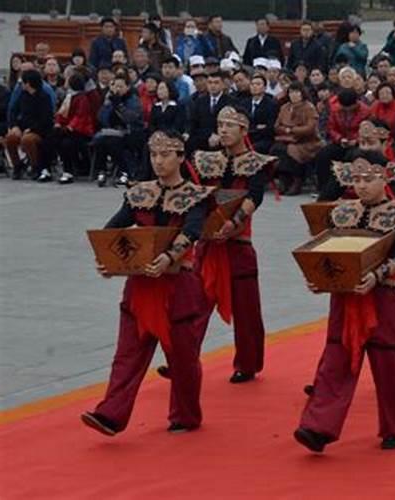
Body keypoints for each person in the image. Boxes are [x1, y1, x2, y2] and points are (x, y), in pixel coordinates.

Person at [81, 131, 213, 437]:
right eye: (154, 155)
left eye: (165, 155)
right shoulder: (139, 192)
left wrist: (168, 259)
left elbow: (191, 232)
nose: (159, 161)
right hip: (140, 287)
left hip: (177, 286)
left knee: (182, 358)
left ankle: (186, 414)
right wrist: (108, 259)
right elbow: (113, 228)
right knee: (127, 355)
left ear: (181, 157)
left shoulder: (196, 196)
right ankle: (111, 414)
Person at [294, 149, 395, 453]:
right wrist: (320, 280)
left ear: (385, 178)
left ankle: (393, 427)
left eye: (369, 178)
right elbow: (327, 250)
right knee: (335, 361)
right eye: (357, 179)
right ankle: (317, 427)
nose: (362, 185)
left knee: (388, 364)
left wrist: (377, 276)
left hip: (382, 297)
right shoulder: (341, 211)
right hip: (345, 298)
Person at [189, 106, 274, 383]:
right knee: (194, 304)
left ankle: (247, 363)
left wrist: (233, 222)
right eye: (220, 124)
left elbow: (255, 196)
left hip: (238, 242)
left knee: (247, 309)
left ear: (243, 130)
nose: (223, 130)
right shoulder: (207, 160)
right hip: (209, 242)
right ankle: (184, 357)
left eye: (229, 125)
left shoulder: (255, 162)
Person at [92, 73, 145, 187]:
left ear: (127, 87)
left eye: (121, 86)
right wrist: (107, 103)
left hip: (131, 132)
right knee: (101, 141)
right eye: (116, 86)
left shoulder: (133, 100)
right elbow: (101, 118)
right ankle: (102, 170)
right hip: (111, 131)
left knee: (113, 142)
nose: (118, 89)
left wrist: (119, 106)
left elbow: (131, 119)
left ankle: (124, 171)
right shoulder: (111, 99)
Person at [271, 82, 322, 195]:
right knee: (277, 149)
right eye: (291, 92)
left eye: (296, 92)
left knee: (292, 150)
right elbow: (277, 126)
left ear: (302, 93)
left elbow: (310, 128)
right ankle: (284, 179)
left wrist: (292, 130)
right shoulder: (285, 107)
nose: (293, 95)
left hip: (307, 141)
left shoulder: (309, 107)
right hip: (286, 138)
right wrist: (286, 131)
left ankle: (297, 180)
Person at [315, 88, 370, 191]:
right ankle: (324, 187)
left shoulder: (365, 111)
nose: (347, 110)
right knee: (323, 154)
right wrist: (340, 139)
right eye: (344, 108)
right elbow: (331, 128)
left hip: (359, 143)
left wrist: (356, 140)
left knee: (354, 155)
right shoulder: (336, 109)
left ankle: (350, 188)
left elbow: (367, 131)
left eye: (349, 108)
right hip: (341, 141)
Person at [5, 69, 54, 181]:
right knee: (10, 138)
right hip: (23, 127)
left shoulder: (44, 97)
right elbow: (13, 111)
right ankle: (17, 165)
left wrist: (32, 129)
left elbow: (46, 119)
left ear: (28, 83)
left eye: (23, 82)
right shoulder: (23, 95)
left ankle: (35, 166)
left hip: (39, 130)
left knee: (27, 140)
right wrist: (14, 126)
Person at [53, 72, 95, 183]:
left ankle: (69, 171)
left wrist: (69, 127)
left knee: (66, 143)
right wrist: (58, 123)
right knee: (52, 138)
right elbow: (61, 113)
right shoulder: (69, 96)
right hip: (69, 129)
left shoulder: (82, 98)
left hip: (81, 131)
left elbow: (80, 117)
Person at [187, 72, 232, 154]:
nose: (213, 86)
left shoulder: (231, 102)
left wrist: (218, 135)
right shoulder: (199, 101)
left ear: (223, 85)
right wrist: (208, 136)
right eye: (210, 83)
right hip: (203, 138)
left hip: (222, 137)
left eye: (216, 83)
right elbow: (194, 124)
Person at [244, 74, 278, 154]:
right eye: (252, 84)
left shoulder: (271, 104)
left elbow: (270, 127)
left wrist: (252, 128)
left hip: (263, 139)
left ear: (265, 88)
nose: (254, 86)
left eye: (258, 84)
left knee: (254, 148)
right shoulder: (244, 103)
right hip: (246, 136)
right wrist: (256, 127)